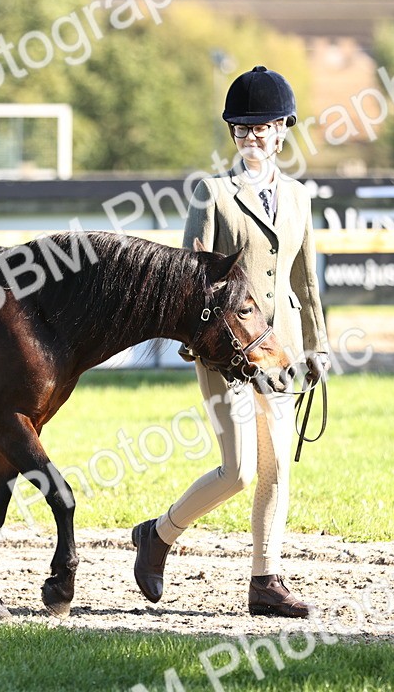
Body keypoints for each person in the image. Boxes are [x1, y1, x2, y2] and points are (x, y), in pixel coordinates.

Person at [131, 65, 330, 617]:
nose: (251, 137)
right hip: (225, 350)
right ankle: (159, 535)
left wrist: (318, 346)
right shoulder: (213, 194)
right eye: (241, 129)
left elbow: (304, 279)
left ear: (283, 128)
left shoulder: (298, 198)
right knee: (238, 470)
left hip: (281, 348)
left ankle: (265, 582)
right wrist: (199, 341)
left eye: (261, 127)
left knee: (276, 467)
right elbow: (192, 275)